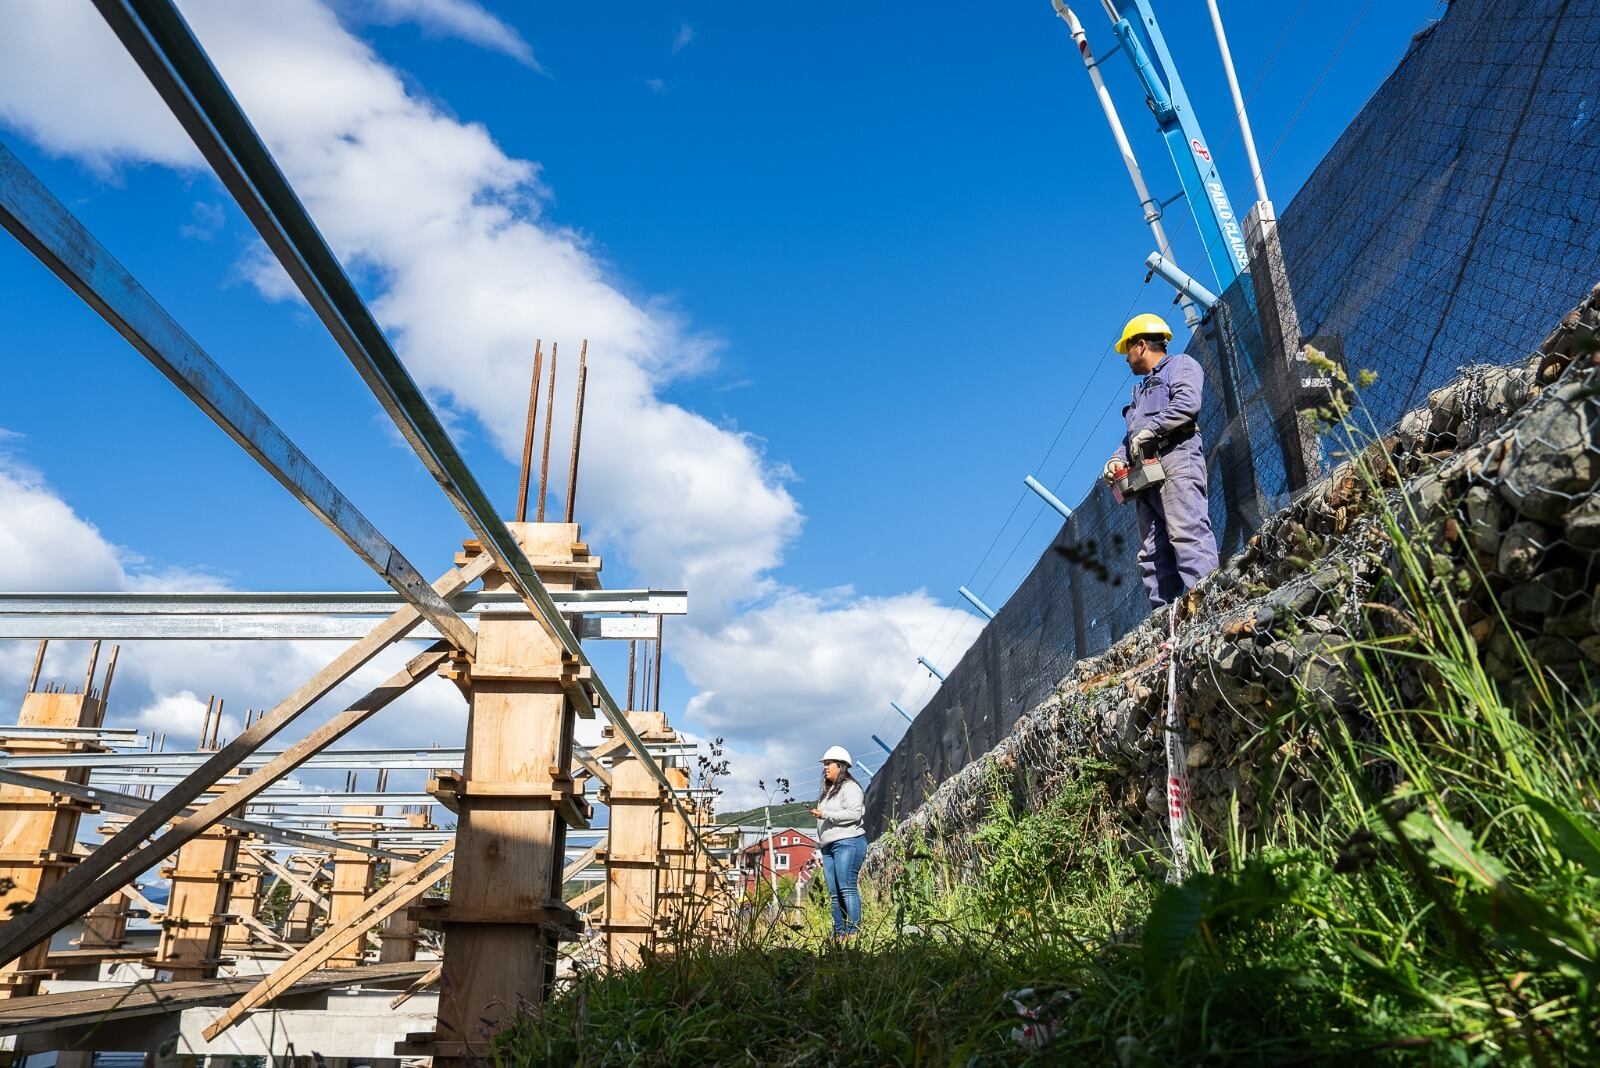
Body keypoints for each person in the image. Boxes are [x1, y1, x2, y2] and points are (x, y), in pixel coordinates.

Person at [1101, 313, 1220, 610]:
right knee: (1152, 551)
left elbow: (1187, 404)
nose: (1126, 359)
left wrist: (1151, 430)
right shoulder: (1140, 392)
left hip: (1177, 457)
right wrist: (1117, 459)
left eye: (1127, 350)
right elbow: (1132, 437)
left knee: (1187, 531)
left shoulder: (1181, 366)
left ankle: (1210, 604)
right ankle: (1164, 621)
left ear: (1140, 345)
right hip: (1147, 471)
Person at [808, 745, 866, 938]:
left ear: (840, 766)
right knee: (834, 893)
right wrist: (817, 849)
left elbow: (854, 813)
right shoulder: (827, 792)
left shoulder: (851, 788)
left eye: (828, 763)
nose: (825, 767)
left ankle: (853, 932)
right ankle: (839, 933)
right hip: (829, 847)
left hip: (848, 841)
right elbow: (820, 826)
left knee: (846, 886)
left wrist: (825, 813)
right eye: (824, 764)